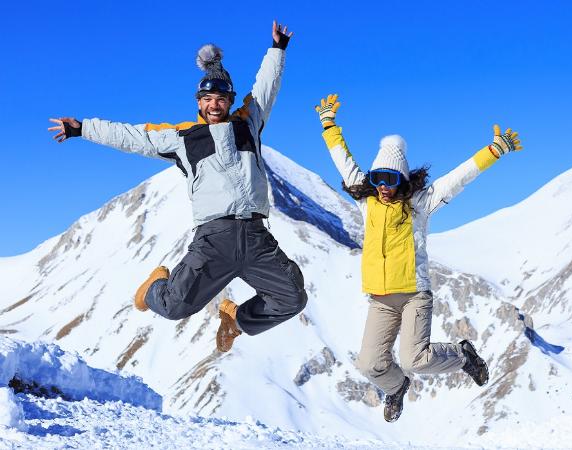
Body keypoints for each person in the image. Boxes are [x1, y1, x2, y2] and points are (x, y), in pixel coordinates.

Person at [47, 21, 306, 354]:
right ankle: (156, 285)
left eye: (221, 99)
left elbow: (266, 87)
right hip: (214, 239)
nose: (215, 104)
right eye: (208, 99)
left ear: (229, 101)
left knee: (292, 297)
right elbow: (132, 137)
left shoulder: (248, 124)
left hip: (257, 237)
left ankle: (236, 321)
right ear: (199, 103)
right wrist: (83, 128)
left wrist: (277, 50)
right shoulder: (184, 138)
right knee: (174, 307)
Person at [313, 94, 523, 422]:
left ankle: (462, 356)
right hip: (381, 300)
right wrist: (329, 125)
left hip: (414, 295)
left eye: (391, 179)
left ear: (402, 180)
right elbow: (343, 159)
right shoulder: (366, 203)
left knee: (415, 360)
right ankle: (396, 388)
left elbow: (458, 179)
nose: (383, 186)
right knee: (370, 364)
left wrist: (494, 151)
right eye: (378, 178)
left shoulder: (419, 205)